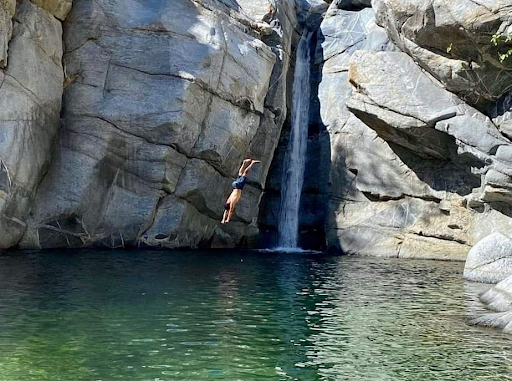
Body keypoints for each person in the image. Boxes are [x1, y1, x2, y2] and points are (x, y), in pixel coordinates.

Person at [221, 159, 260, 224]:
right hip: (234, 185)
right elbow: (226, 211)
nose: (232, 207)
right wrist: (223, 219)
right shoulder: (229, 200)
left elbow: (230, 211)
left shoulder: (232, 202)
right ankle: (244, 163)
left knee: (245, 173)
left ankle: (252, 163)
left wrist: (228, 219)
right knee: (240, 174)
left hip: (238, 187)